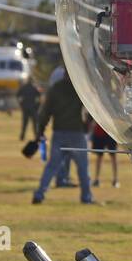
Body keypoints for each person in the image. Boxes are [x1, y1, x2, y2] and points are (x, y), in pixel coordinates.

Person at [31, 69, 91, 205]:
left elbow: (44, 113)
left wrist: (40, 132)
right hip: (76, 133)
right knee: (82, 168)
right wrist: (87, 125)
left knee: (52, 166)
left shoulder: (55, 89)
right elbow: (90, 109)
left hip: (59, 133)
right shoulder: (79, 88)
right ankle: (86, 197)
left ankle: (40, 194)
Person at [89, 115, 119, 189]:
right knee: (99, 156)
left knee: (113, 156)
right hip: (99, 133)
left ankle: (115, 180)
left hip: (111, 133)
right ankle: (96, 179)